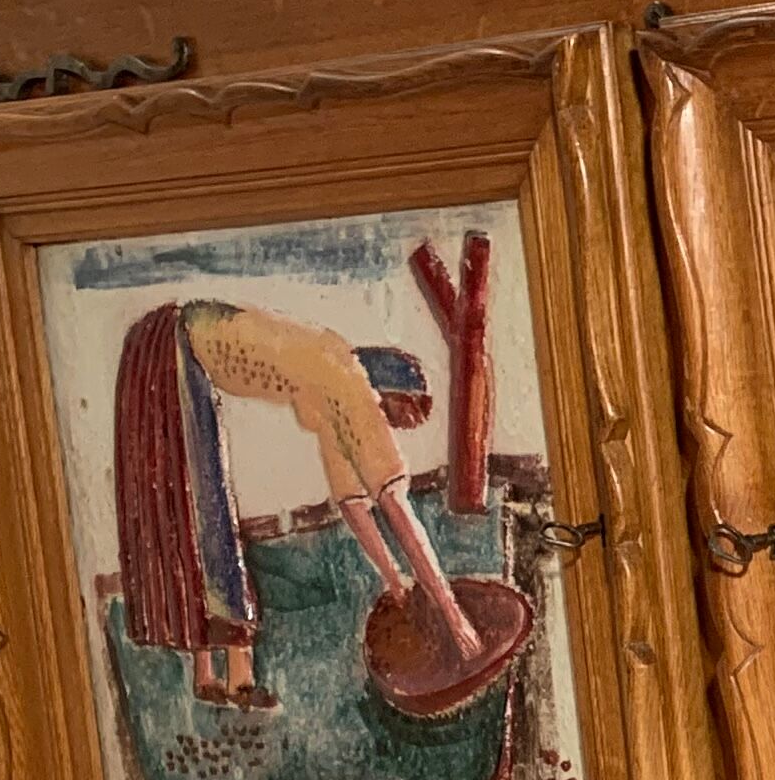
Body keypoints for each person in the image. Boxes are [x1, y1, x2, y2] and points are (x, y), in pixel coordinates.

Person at [114, 298, 494, 710]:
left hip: (167, 350)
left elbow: (353, 506)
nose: (408, 424)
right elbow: (397, 508)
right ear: (388, 391)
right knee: (202, 514)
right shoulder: (346, 379)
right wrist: (456, 621)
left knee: (199, 505)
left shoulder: (326, 396)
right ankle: (228, 678)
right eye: (411, 410)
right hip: (173, 344)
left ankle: (216, 679)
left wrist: (396, 581)